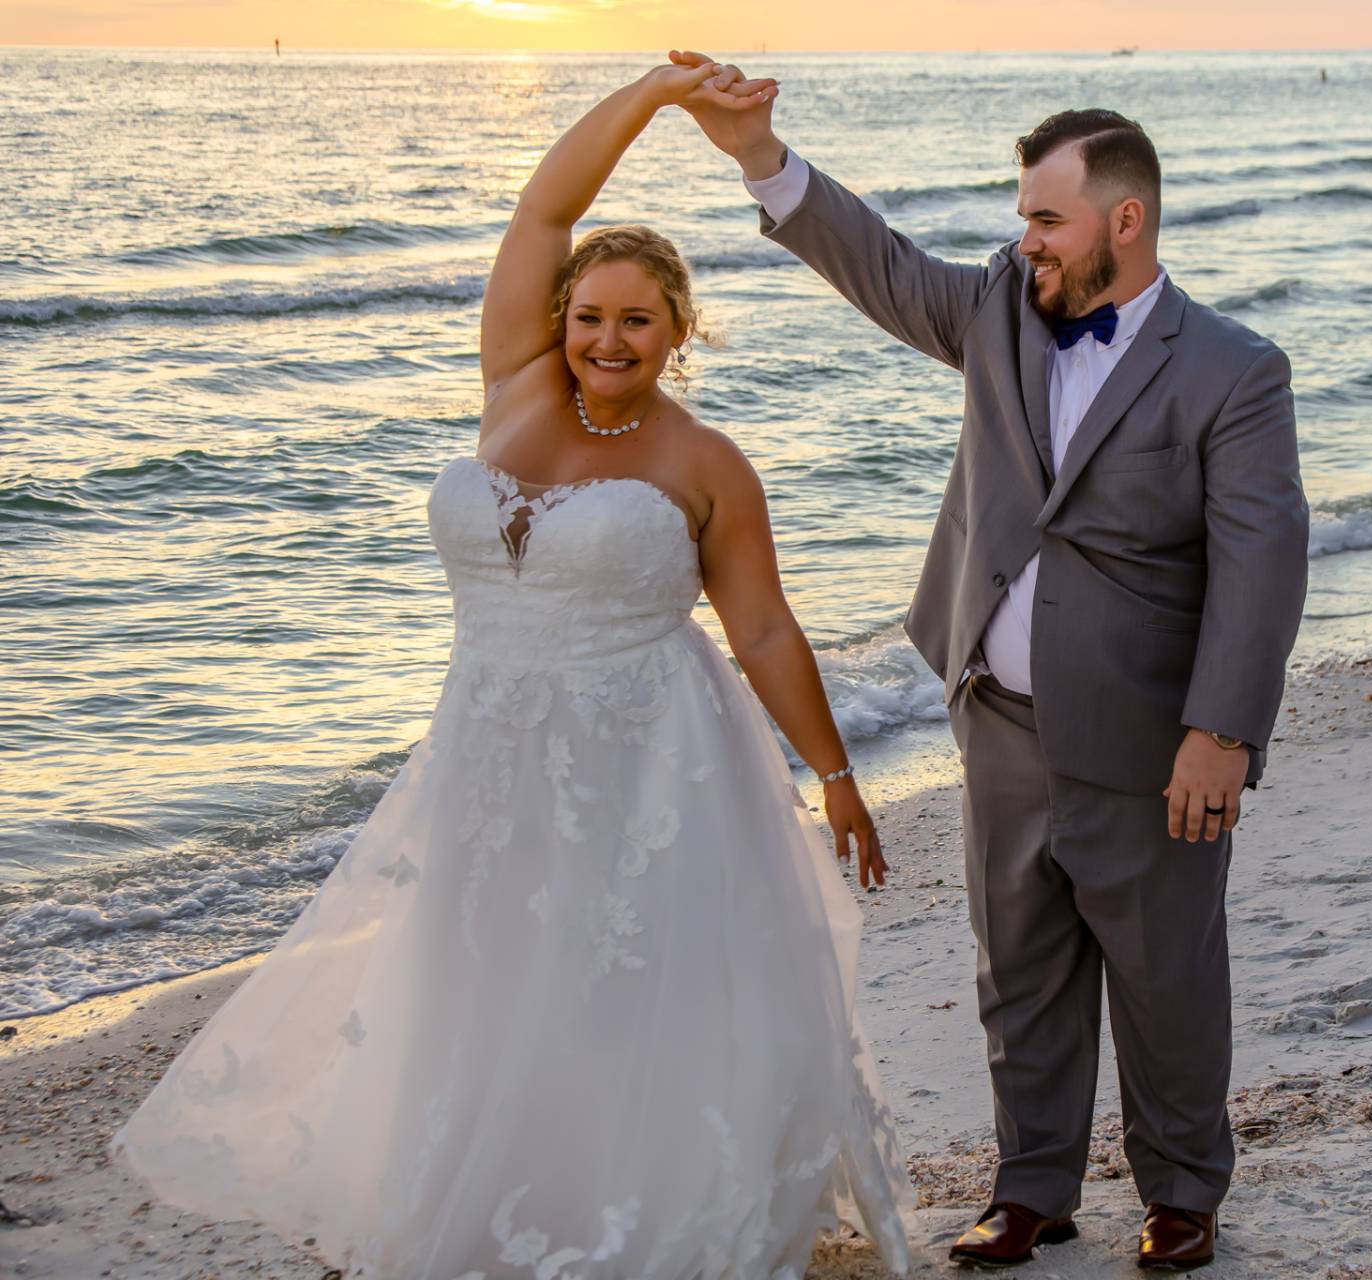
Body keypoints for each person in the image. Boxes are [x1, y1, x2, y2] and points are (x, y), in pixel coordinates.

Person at [111, 61, 915, 1279]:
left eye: (636, 320)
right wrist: (651, 98)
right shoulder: (514, 388)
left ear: (677, 333)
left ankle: (640, 1203)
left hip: (651, 762)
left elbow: (761, 631)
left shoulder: (708, 462)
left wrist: (840, 773)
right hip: (488, 754)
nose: (606, 338)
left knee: (623, 984)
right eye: (589, 314)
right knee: (485, 978)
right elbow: (544, 211)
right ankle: (500, 1195)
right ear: (559, 319)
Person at [673, 53, 1309, 1272]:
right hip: (1002, 721)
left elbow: (1262, 564)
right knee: (1017, 968)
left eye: (1045, 218)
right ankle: (1034, 1188)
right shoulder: (1000, 312)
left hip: (1153, 735)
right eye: (1021, 217)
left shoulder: (1236, 369)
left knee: (1165, 976)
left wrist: (1221, 731)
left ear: (1125, 220)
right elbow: (881, 263)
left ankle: (1181, 1189)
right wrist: (757, 152)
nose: (1025, 242)